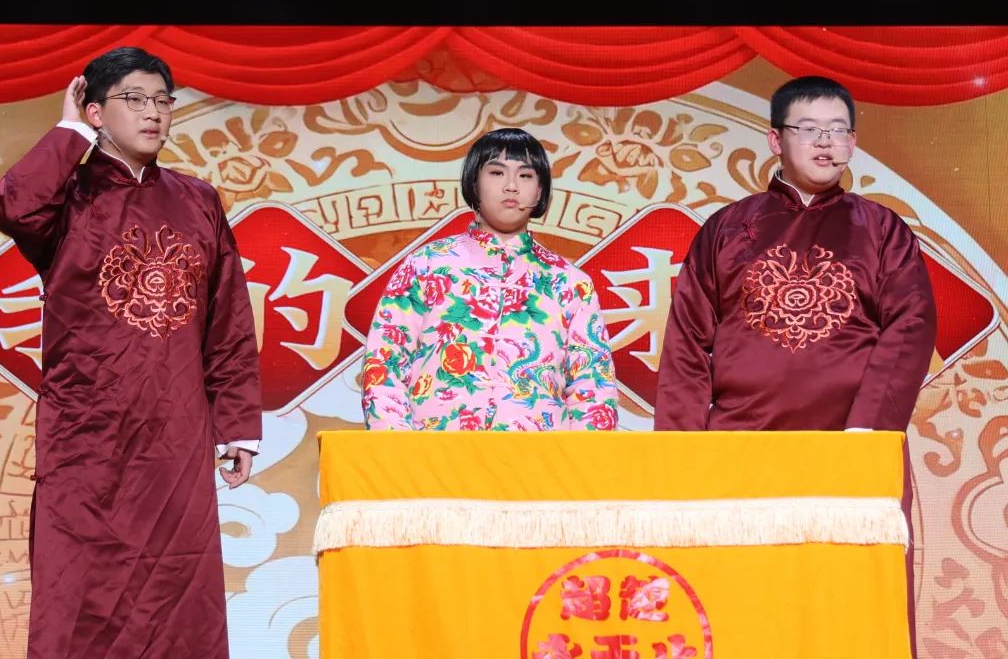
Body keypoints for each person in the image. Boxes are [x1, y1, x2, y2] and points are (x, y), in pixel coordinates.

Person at [0, 46, 261, 659]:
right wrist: (68, 134)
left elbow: (228, 320)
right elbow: (11, 206)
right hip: (88, 432)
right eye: (133, 99)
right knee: (79, 589)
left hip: (175, 430)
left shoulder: (197, 200)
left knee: (178, 588)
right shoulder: (67, 197)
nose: (153, 113)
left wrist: (236, 425)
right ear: (96, 111)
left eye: (162, 100)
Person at [654, 75, 935, 657]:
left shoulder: (882, 230)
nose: (825, 142)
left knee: (849, 602)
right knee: (737, 597)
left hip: (849, 446)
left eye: (838, 130)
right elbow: (687, 343)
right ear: (775, 140)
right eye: (809, 129)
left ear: (853, 142)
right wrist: (681, 453)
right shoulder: (727, 228)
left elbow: (911, 326)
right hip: (741, 445)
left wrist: (867, 431)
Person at [362, 128, 619, 431]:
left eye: (526, 176)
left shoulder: (570, 282)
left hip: (539, 456)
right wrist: (398, 450)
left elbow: (594, 387)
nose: (511, 186)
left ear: (540, 191)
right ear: (474, 182)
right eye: (497, 173)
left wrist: (579, 460)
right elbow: (385, 363)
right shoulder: (426, 265)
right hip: (435, 452)